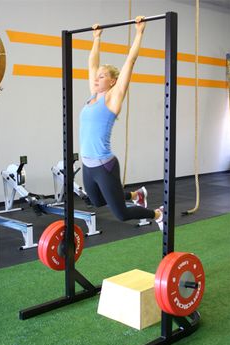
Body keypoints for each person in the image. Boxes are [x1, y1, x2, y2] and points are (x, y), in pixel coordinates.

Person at [79, 16, 163, 231]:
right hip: (87, 165)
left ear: (113, 81)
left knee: (122, 214)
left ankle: (157, 214)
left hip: (104, 165)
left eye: (102, 77)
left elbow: (129, 62)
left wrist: (139, 32)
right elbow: (92, 63)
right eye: (96, 77)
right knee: (96, 201)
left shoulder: (112, 99)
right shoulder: (92, 96)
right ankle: (136, 194)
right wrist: (96, 38)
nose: (96, 79)